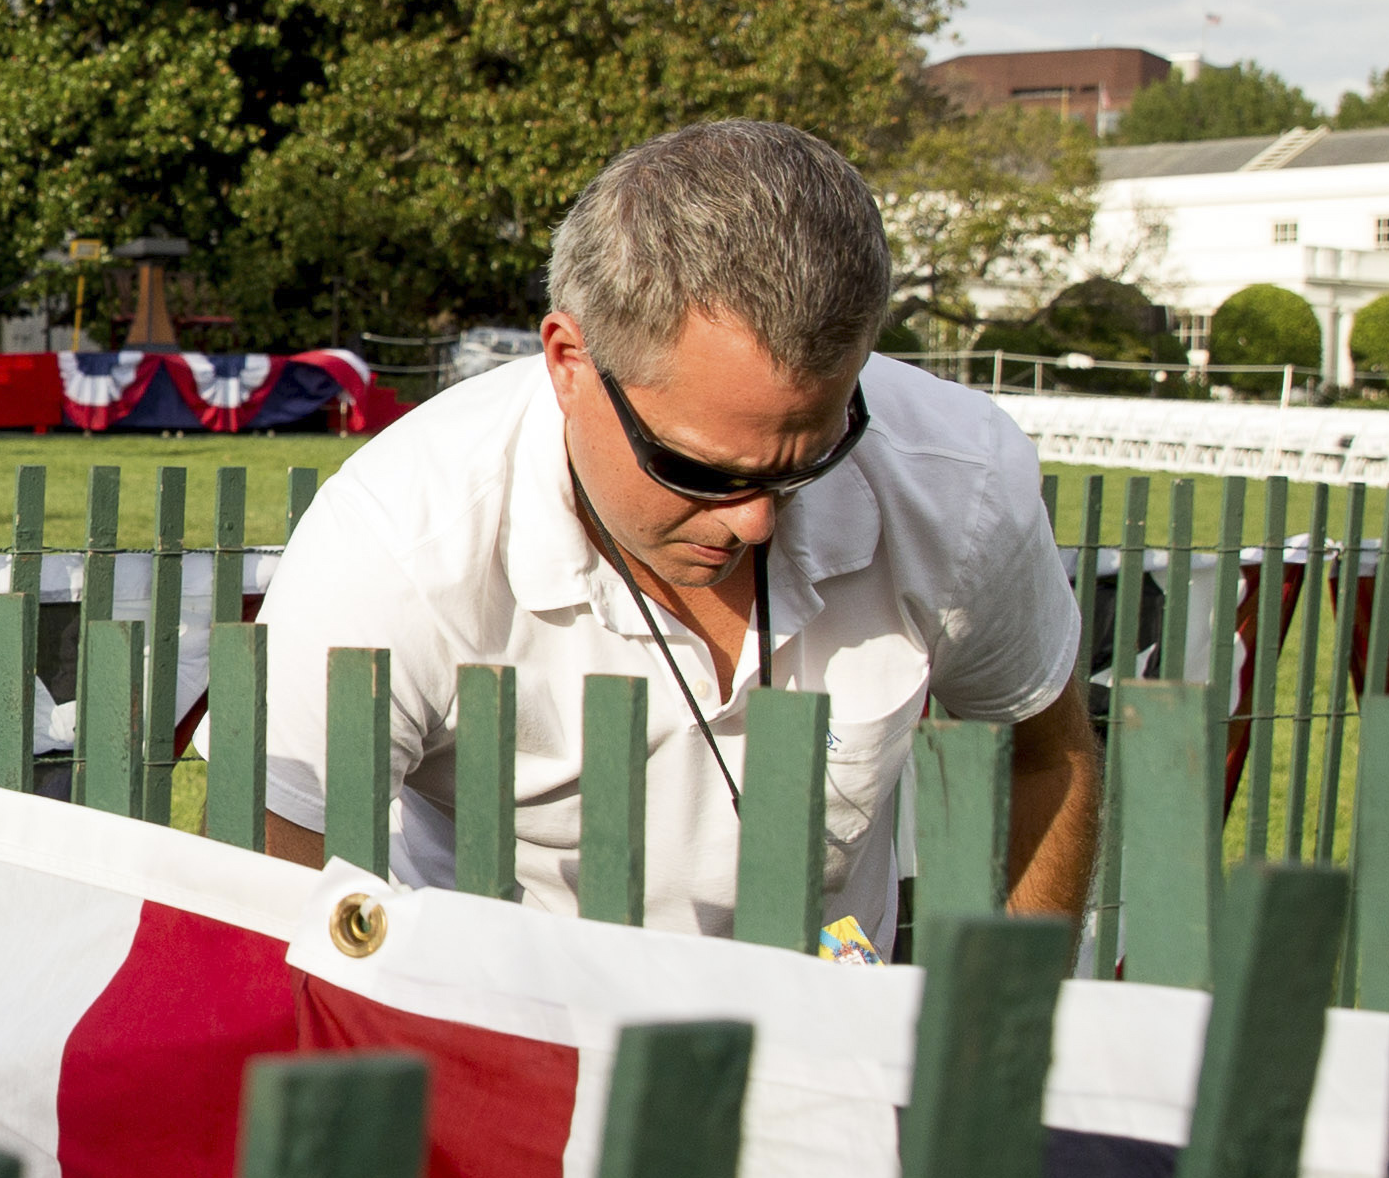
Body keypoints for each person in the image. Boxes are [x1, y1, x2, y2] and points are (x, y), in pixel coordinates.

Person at [257, 118, 1097, 940]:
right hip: (505, 1045)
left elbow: (1049, 757)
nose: (757, 522)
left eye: (808, 462)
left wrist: (1000, 1038)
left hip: (826, 1048)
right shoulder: (395, 542)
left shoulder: (961, 479)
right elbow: (272, 890)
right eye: (697, 469)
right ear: (568, 362)